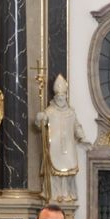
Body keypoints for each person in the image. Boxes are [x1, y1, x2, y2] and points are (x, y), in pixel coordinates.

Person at [33, 75, 88, 203]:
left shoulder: (71, 112)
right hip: (54, 146)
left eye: (62, 96)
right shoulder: (50, 111)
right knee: (54, 170)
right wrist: (39, 118)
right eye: (58, 97)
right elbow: (40, 125)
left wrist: (82, 138)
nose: (60, 98)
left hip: (68, 147)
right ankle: (54, 193)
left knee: (67, 170)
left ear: (65, 97)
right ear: (55, 97)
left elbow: (77, 126)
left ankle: (66, 193)